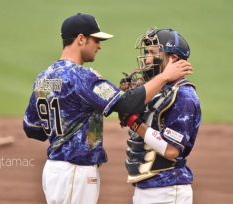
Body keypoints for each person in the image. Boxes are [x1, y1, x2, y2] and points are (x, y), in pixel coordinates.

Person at [23, 13, 192, 204]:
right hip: (75, 171)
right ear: (81, 39)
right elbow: (126, 104)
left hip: (53, 170)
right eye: (96, 40)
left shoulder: (44, 77)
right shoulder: (82, 78)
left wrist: (65, 127)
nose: (99, 45)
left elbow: (33, 129)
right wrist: (163, 77)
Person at [120, 27, 202, 204]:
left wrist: (134, 122)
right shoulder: (155, 90)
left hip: (168, 190)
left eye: (152, 53)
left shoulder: (184, 96)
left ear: (173, 58)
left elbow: (172, 150)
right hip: (147, 186)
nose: (147, 59)